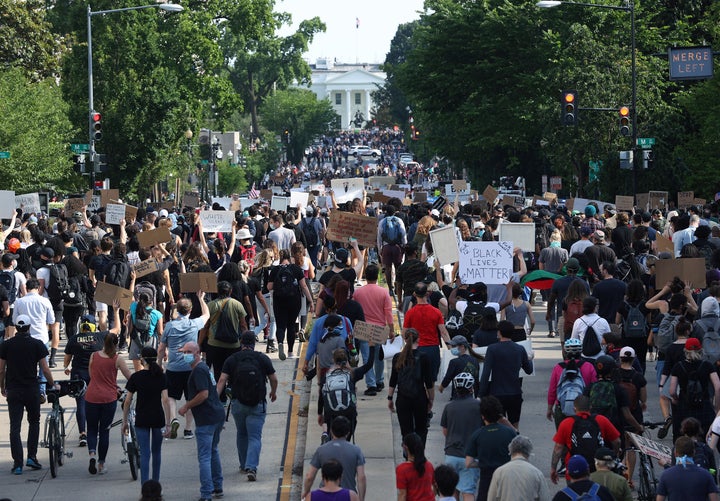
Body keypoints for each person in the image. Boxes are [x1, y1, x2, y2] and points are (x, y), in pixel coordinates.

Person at [217, 331, 278, 482]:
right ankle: (252, 467)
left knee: (242, 433)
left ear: (241, 343)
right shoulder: (262, 358)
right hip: (257, 403)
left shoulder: (232, 359)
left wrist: (214, 400)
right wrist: (273, 392)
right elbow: (274, 378)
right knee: (255, 436)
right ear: (254, 343)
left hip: (238, 403)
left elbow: (222, 380)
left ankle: (244, 465)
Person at [0, 314, 57, 474]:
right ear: (29, 327)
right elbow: (45, 368)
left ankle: (18, 463)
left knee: (15, 427)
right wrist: (53, 384)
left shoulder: (6, 345)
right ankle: (32, 456)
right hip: (31, 389)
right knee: (34, 421)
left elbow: (1, 369)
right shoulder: (37, 344)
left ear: (16, 327)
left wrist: (2, 387)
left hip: (14, 389)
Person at [63, 306, 121, 447]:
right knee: (97, 403)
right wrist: (116, 312)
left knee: (81, 404)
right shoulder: (100, 336)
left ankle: (83, 433)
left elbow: (67, 358)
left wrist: (66, 367)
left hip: (78, 374)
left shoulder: (74, 338)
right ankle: (97, 430)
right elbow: (117, 329)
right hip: (96, 374)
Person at [158, 294, 210, 440]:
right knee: (190, 398)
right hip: (190, 366)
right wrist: (201, 299)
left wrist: (159, 364)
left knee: (172, 397)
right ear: (190, 310)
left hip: (173, 366)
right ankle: (188, 429)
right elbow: (207, 314)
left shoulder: (169, 326)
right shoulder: (194, 324)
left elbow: (162, 347)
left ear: (176, 310)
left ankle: (173, 418)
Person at [178, 341, 225, 501]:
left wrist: (186, 406)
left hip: (207, 418)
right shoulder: (204, 368)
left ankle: (206, 493)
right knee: (213, 451)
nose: (185, 355)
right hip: (216, 415)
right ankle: (217, 487)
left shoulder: (198, 370)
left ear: (197, 353)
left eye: (188, 352)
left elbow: (203, 394)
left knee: (204, 456)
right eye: (184, 352)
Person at [85, 329, 132, 475]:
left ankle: (92, 455)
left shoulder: (94, 355)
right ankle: (101, 463)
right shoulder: (117, 359)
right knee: (104, 431)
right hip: (108, 398)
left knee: (92, 429)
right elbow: (130, 376)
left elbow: (91, 375)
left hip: (92, 396)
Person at [122, 346, 170, 486]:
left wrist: (125, 421)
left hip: (142, 418)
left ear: (142, 359)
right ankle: (156, 484)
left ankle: (145, 486)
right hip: (157, 417)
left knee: (145, 453)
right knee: (156, 452)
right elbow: (166, 400)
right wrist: (168, 423)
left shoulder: (136, 377)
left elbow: (127, 401)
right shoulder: (161, 376)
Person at [551, 395, 621, 483]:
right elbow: (617, 441)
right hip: (598, 469)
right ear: (590, 407)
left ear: (574, 409)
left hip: (574, 470)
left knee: (574, 494)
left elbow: (558, 449)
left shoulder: (566, 423)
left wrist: (553, 469)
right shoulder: (602, 420)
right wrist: (614, 455)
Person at [478, 320, 533, 429]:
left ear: (499, 333)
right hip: (515, 392)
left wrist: (480, 395)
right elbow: (529, 370)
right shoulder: (520, 349)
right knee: (514, 424)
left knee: (497, 424)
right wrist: (529, 359)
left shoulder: (492, 349)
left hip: (497, 393)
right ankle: (515, 443)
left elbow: (486, 373)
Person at [464, 396, 518, 501]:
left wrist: (482, 463)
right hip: (507, 477)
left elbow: (468, 463)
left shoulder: (477, 435)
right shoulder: (509, 432)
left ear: (482, 416)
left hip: (487, 478)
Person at [351, 264, 393, 395]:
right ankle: (380, 380)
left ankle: (371, 384)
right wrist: (391, 330)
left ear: (366, 276)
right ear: (377, 276)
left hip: (364, 329)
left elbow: (354, 310)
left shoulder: (358, 293)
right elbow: (389, 313)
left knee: (366, 356)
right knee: (379, 357)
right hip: (379, 329)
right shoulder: (384, 292)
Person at [302, 416, 367, 501]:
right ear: (348, 432)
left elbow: (309, 476)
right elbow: (361, 477)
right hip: (347, 496)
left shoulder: (321, 450)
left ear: (331, 431)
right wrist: (361, 498)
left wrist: (306, 491)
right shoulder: (356, 450)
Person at [440, 373, 483, 501]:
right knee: (468, 491)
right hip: (470, 456)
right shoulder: (479, 406)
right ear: (471, 388)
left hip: (451, 454)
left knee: (452, 491)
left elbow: (445, 431)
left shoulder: (449, 407)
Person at [388, 329, 435, 445]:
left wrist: (390, 398)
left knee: (406, 430)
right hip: (419, 397)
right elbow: (429, 382)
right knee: (421, 429)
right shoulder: (424, 357)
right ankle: (419, 453)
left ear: (404, 340)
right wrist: (431, 399)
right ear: (418, 339)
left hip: (403, 398)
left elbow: (393, 380)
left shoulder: (397, 357)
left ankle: (408, 454)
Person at [668, 337, 720, 441]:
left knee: (685, 438)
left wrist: (676, 399)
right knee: (706, 437)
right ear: (701, 350)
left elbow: (672, 391)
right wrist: (717, 407)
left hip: (685, 406)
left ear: (685, 351)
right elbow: (718, 387)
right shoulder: (707, 365)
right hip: (704, 405)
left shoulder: (678, 366)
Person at [268, 249, 314, 360]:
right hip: (294, 300)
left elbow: (269, 287)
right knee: (291, 325)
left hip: (279, 300)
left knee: (280, 325)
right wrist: (311, 301)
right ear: (290, 258)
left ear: (280, 257)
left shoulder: (275, 270)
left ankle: (279, 343)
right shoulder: (296, 269)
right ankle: (290, 352)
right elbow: (303, 286)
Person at [199, 280, 247, 384]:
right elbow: (243, 325)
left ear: (217, 291)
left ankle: (221, 395)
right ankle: (231, 389)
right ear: (230, 291)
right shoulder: (237, 304)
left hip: (214, 344)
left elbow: (205, 327)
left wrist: (199, 343)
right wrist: (245, 342)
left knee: (218, 370)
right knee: (233, 369)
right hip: (233, 345)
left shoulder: (210, 305)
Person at [402, 282, 451, 383]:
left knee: (416, 379)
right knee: (431, 380)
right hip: (432, 349)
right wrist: (450, 348)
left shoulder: (410, 313)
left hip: (416, 348)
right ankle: (430, 398)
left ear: (415, 294)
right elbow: (443, 332)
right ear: (427, 294)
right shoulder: (436, 312)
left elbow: (404, 333)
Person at [546, 338, 598, 427]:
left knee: (562, 437)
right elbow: (595, 388)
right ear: (581, 351)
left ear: (565, 352)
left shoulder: (558, 367)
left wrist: (549, 408)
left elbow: (553, 390)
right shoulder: (589, 366)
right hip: (584, 408)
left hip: (562, 407)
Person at [487, 435, 551, 501]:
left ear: (510, 451)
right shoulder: (537, 473)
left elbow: (491, 498)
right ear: (529, 453)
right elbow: (545, 498)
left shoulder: (499, 472)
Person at [657, 436, 719, 501]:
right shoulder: (706, 475)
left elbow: (659, 499)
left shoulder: (666, 475)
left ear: (675, 454)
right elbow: (714, 499)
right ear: (693, 452)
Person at [128, 291, 164, 372]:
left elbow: (130, 296)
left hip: (136, 340)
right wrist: (164, 348)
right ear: (151, 301)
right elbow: (160, 332)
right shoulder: (157, 314)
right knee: (150, 369)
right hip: (150, 342)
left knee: (138, 371)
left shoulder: (133, 307)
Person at [396, 432, 434, 501]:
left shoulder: (402, 469)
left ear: (406, 448)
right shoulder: (429, 466)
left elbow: (402, 495)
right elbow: (436, 485)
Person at [570, 297, 611, 361]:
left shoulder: (578, 322)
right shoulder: (603, 321)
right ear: (595, 308)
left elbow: (574, 340)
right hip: (601, 356)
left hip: (584, 356)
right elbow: (609, 340)